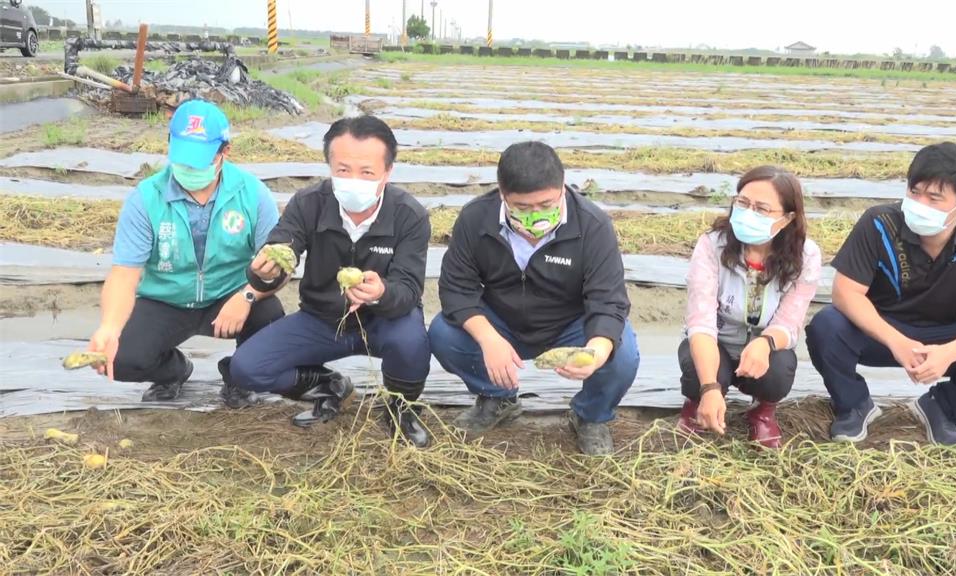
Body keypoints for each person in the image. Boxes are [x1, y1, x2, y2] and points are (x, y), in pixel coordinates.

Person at [229, 116, 433, 447]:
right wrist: (264, 272)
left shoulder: (409, 215)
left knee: (412, 342)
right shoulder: (309, 203)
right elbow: (283, 246)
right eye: (343, 170)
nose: (354, 180)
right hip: (322, 319)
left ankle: (401, 408)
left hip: (385, 320)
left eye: (367, 172)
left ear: (387, 172)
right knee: (246, 368)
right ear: (330, 167)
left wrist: (381, 292)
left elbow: (409, 289)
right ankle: (330, 385)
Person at [428, 141, 640, 456]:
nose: (536, 217)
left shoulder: (592, 226)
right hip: (502, 322)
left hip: (570, 326)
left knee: (621, 354)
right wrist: (488, 338)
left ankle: (590, 415)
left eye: (546, 204)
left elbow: (608, 301)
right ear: (502, 194)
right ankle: (498, 398)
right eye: (523, 208)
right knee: (443, 335)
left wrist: (596, 352)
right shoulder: (476, 219)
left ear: (562, 186)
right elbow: (456, 288)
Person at [806, 142, 956, 446]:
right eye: (914, 191)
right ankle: (854, 404)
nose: (920, 204)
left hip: (947, 333)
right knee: (826, 327)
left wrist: (950, 352)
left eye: (935, 198)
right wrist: (897, 341)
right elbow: (846, 293)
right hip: (880, 329)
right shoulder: (879, 223)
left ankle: (944, 408)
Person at [87, 100, 285, 406]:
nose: (188, 169)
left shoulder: (253, 194)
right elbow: (124, 275)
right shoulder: (145, 198)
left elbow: (278, 269)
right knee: (121, 358)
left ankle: (238, 376)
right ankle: (173, 371)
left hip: (228, 295)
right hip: (167, 300)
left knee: (270, 317)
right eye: (182, 159)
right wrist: (109, 327)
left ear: (224, 153)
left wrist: (247, 296)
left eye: (199, 161)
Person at [678, 166, 821, 448]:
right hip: (717, 341)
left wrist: (765, 343)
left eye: (761, 209)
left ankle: (762, 411)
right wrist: (709, 388)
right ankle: (697, 403)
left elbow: (789, 322)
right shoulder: (712, 246)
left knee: (779, 369)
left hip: (764, 349)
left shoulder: (806, 255)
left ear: (787, 217)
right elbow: (701, 322)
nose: (747, 213)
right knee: (698, 368)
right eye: (742, 203)